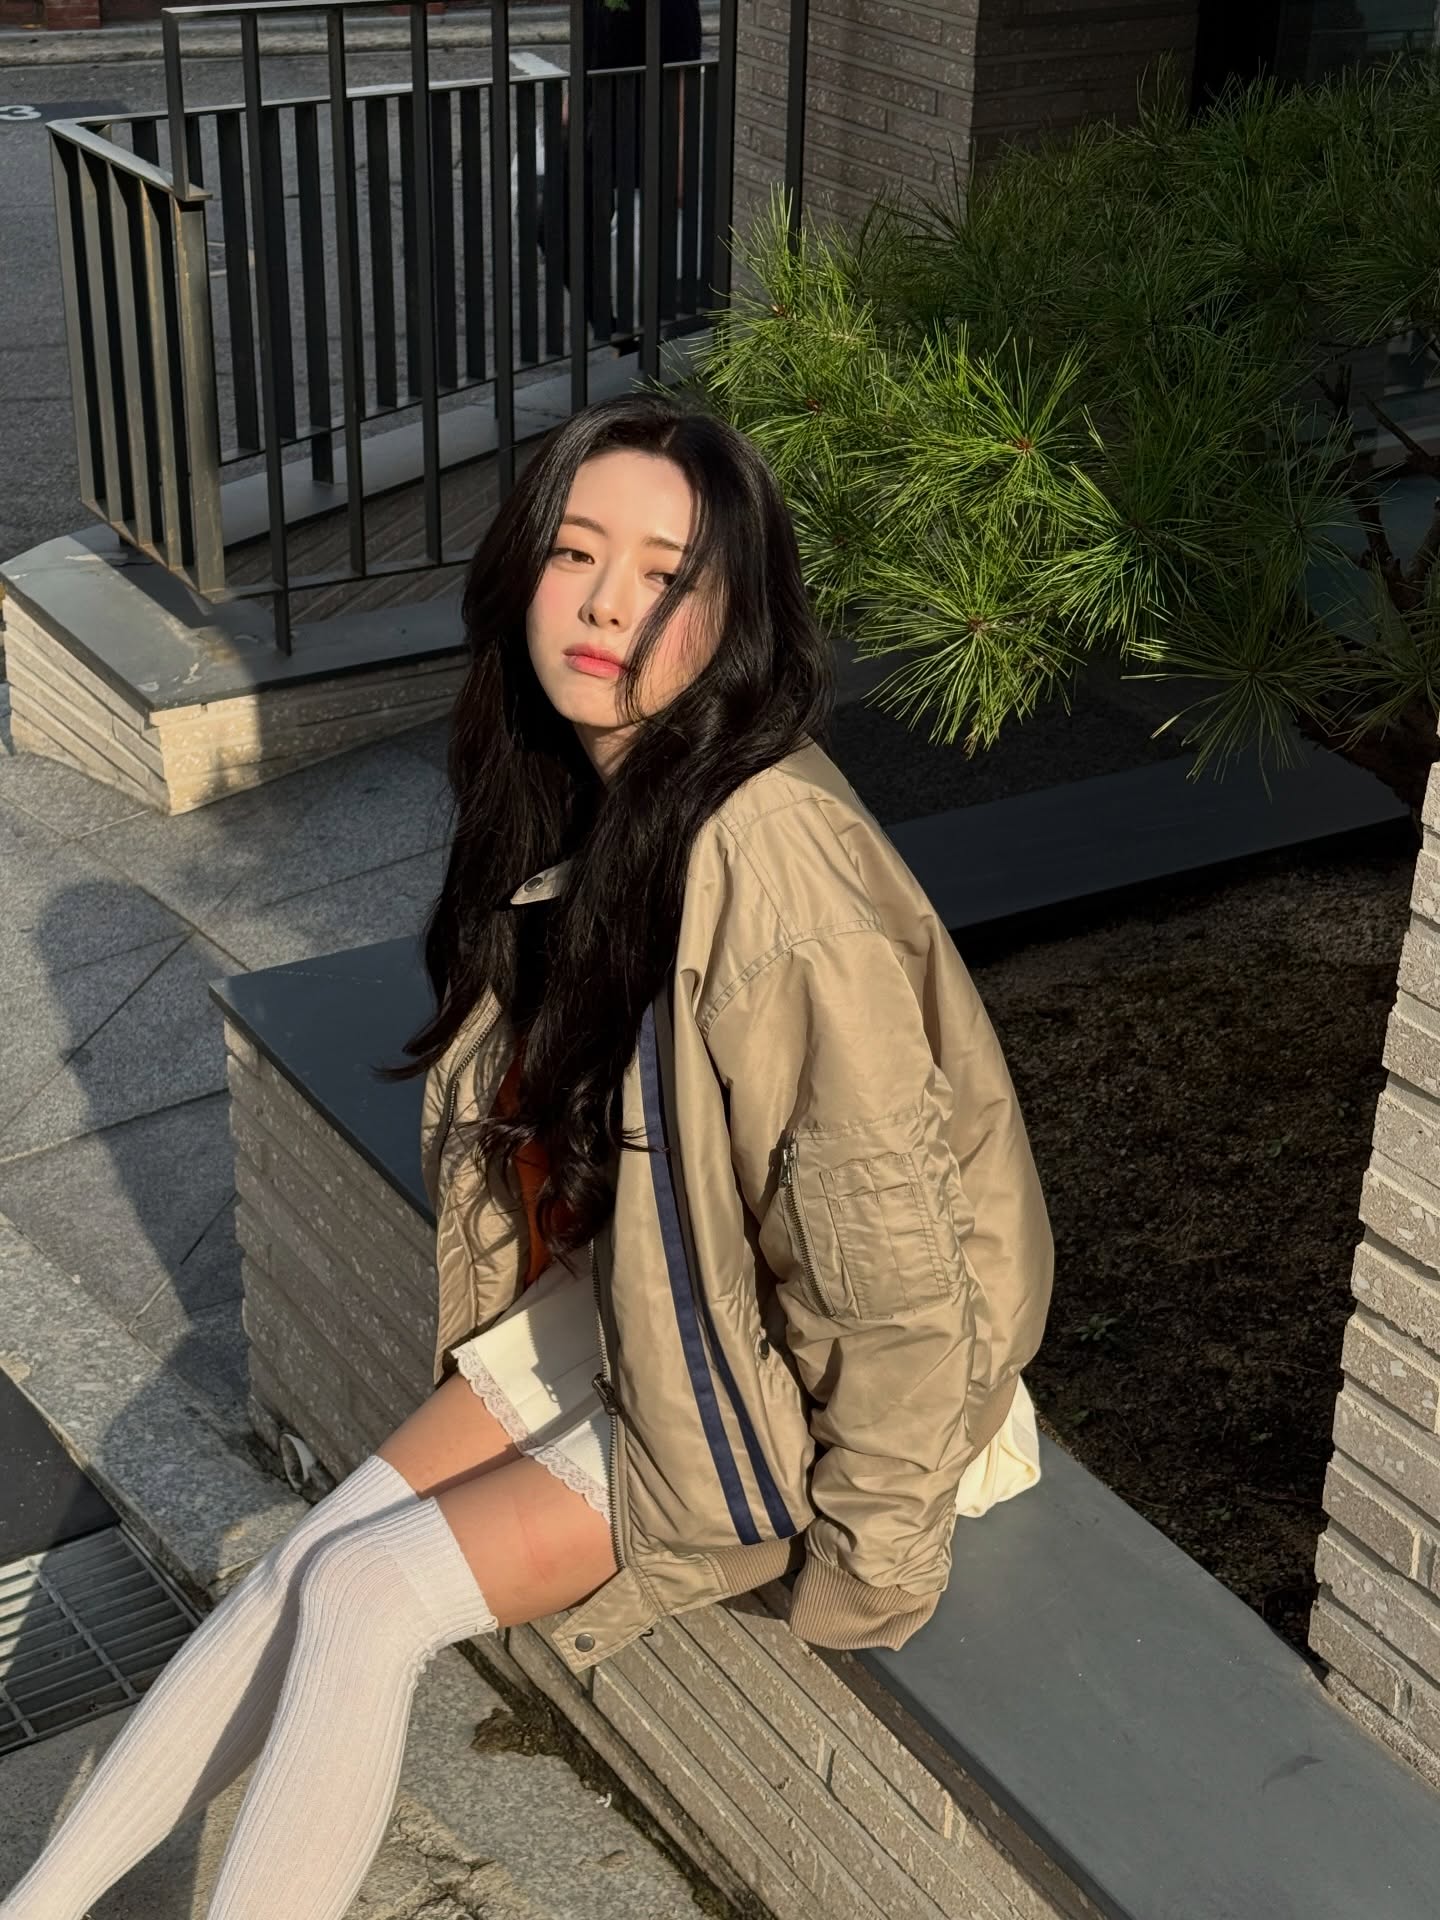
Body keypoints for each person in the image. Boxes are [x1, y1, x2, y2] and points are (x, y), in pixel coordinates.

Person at [0, 392, 1053, 1920]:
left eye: (667, 574)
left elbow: (883, 1262)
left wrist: (874, 1553)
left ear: (739, 614)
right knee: (305, 1568)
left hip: (776, 1373)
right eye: (578, 552)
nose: (609, 603)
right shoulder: (589, 791)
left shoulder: (774, 862)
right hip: (658, 1298)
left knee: (365, 1599)